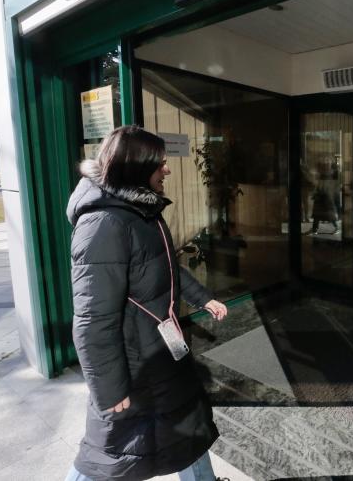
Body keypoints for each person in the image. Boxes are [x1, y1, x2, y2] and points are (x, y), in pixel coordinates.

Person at [64, 126, 229, 481]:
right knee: (111, 454)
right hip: (134, 366)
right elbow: (93, 320)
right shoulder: (104, 224)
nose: (167, 170)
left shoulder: (142, 211)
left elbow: (166, 266)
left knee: (187, 434)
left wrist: (203, 298)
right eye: (161, 164)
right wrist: (109, 389)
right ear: (136, 166)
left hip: (160, 353)